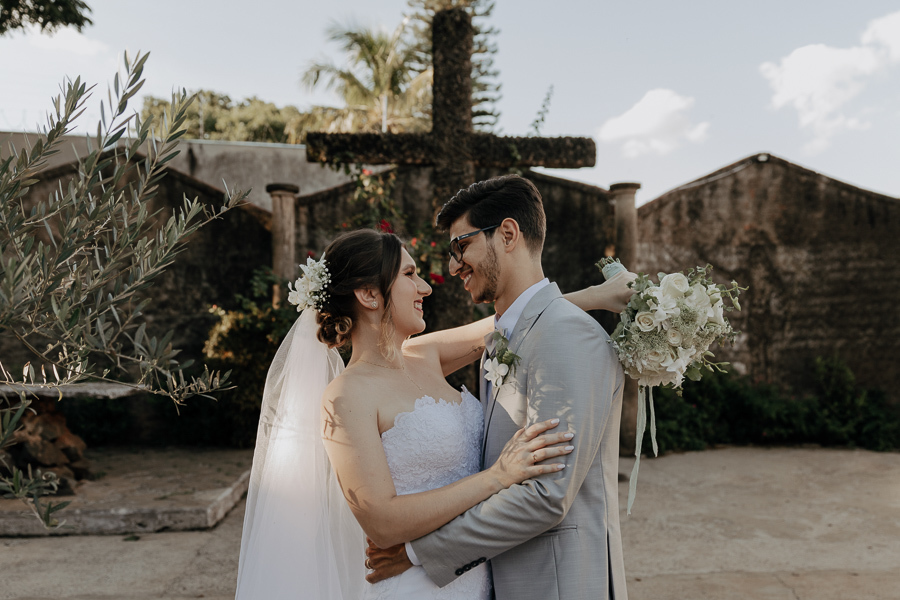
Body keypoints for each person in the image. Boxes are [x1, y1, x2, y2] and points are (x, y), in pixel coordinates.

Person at [235, 222, 634, 598]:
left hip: (480, 578)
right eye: (409, 275)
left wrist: (596, 297)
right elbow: (382, 521)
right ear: (369, 295)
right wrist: (496, 477)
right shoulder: (345, 397)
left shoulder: (425, 354)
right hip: (413, 585)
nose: (425, 287)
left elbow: (519, 320)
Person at [366, 174, 631, 599]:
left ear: (507, 234)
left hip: (554, 584)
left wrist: (418, 552)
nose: (452, 266)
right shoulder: (503, 339)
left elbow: (547, 494)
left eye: (461, 246)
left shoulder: (566, 337)